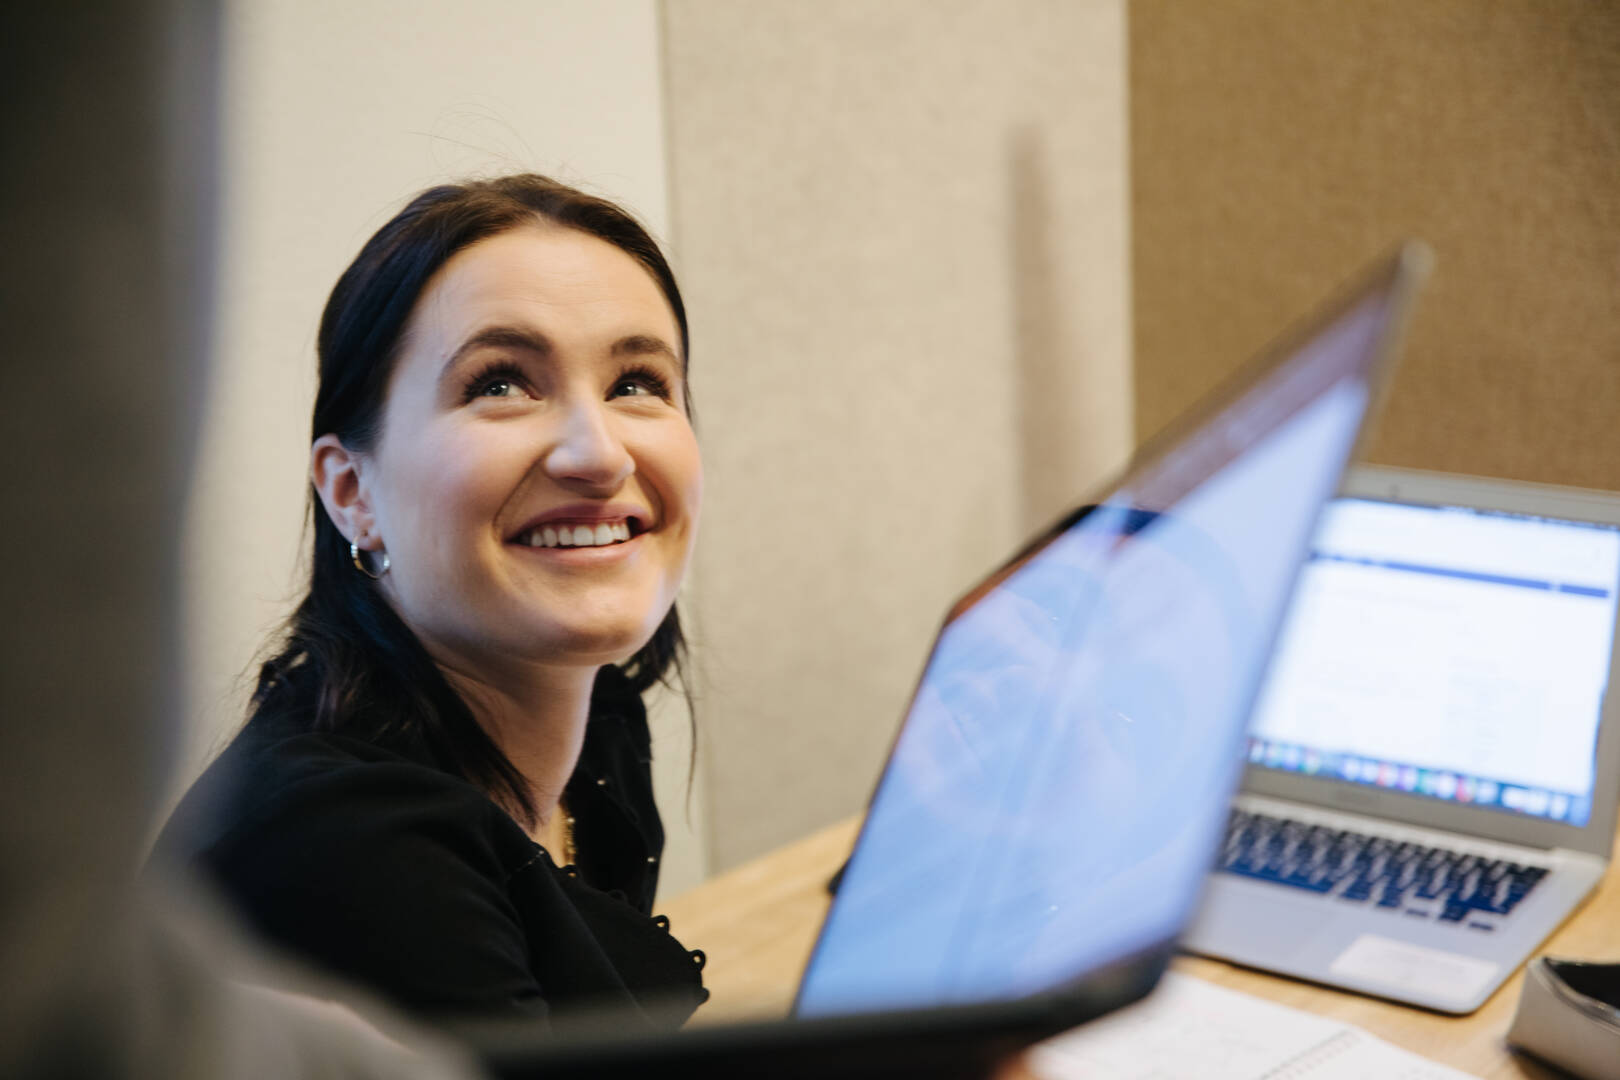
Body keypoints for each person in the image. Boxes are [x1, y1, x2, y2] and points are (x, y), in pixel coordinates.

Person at [152, 174, 709, 1031]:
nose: (598, 455)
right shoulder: (352, 851)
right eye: (499, 384)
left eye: (637, 381)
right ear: (351, 492)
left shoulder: (600, 729)